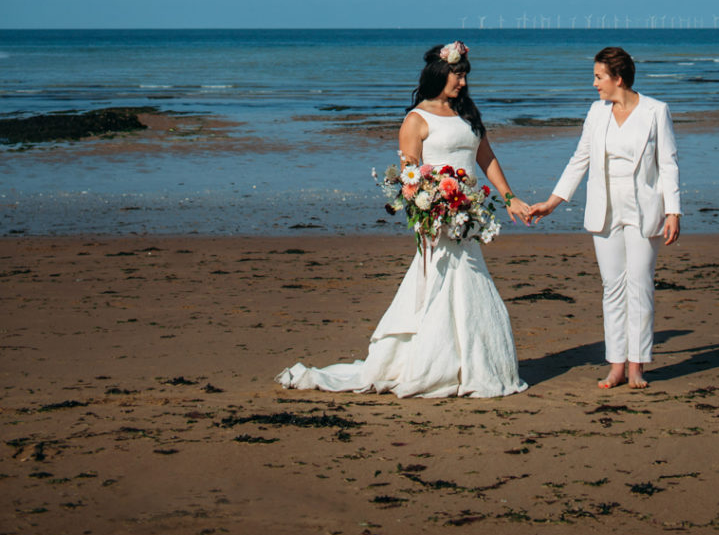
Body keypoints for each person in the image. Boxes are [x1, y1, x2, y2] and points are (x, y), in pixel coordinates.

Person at [276, 40, 531, 398]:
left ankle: (471, 365)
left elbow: (486, 159)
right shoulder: (416, 119)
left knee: (470, 282)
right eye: (458, 75)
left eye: (464, 76)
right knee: (439, 287)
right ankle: (437, 365)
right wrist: (434, 207)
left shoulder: (468, 115)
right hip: (438, 217)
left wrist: (509, 198)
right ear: (440, 74)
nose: (463, 83)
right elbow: (411, 178)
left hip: (468, 214)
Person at [528, 45, 680, 389]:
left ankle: (638, 366)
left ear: (618, 78)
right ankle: (616, 365)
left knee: (640, 285)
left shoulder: (656, 111)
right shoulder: (596, 113)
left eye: (599, 77)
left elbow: (668, 165)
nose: (595, 84)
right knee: (612, 287)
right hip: (605, 211)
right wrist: (552, 202)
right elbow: (579, 158)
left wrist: (673, 210)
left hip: (645, 211)